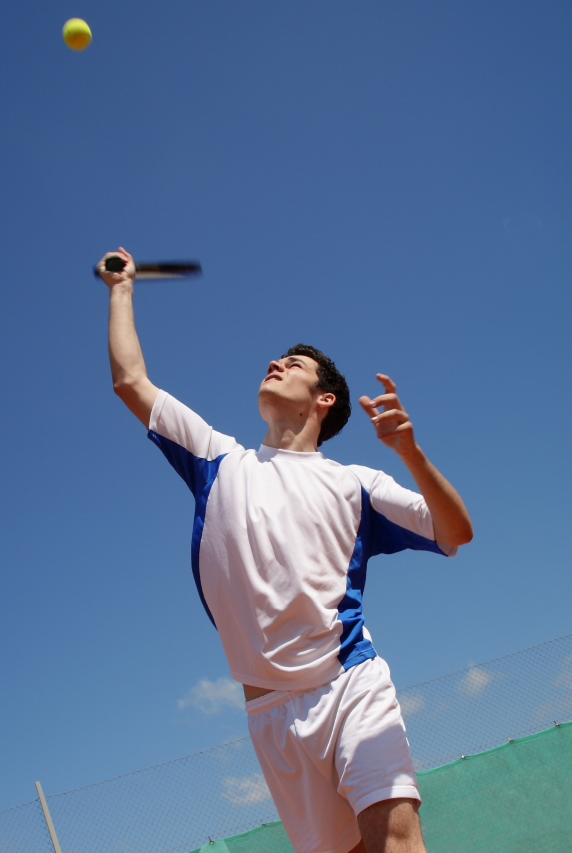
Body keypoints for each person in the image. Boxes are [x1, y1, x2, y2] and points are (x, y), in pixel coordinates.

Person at [99, 248, 473, 853]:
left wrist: (408, 451)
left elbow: (455, 532)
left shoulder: (357, 483)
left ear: (322, 400)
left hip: (350, 682)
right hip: (270, 714)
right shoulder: (217, 460)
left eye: (293, 363)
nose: (274, 362)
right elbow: (130, 383)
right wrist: (122, 289)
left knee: (396, 842)